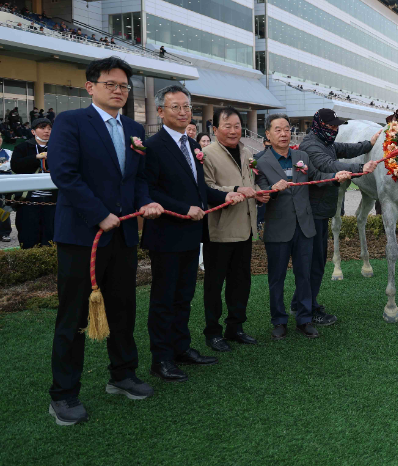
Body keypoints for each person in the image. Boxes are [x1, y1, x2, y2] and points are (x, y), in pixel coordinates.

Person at [47, 57, 164, 426]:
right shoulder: (70, 122)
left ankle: (123, 374)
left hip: (125, 235)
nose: (118, 91)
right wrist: (99, 214)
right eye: (111, 84)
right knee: (74, 316)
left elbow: (138, 178)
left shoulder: (133, 127)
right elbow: (64, 174)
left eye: (124, 86)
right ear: (91, 87)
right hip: (83, 237)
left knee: (123, 309)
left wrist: (145, 202)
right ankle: (64, 395)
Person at [141, 85, 246, 382]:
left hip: (191, 234)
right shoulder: (153, 146)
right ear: (161, 111)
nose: (183, 112)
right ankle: (160, 359)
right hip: (166, 235)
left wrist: (223, 197)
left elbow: (200, 191)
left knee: (183, 296)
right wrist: (184, 207)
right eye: (175, 107)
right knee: (164, 299)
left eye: (186, 106)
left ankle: (181, 348)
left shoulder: (190, 145)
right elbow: (149, 190)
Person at [256, 114, 351, 340]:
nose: (283, 134)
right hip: (278, 229)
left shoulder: (301, 156)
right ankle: (279, 321)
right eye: (277, 130)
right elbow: (259, 191)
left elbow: (317, 177)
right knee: (276, 278)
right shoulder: (259, 161)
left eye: (287, 129)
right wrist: (270, 190)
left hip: (305, 227)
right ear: (267, 135)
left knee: (305, 276)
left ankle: (304, 319)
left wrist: (335, 176)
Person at [299, 108, 378, 326]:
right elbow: (329, 165)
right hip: (311, 213)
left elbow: (345, 148)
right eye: (330, 126)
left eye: (336, 127)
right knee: (312, 264)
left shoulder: (325, 142)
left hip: (320, 211)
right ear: (318, 125)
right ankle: (309, 309)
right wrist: (361, 168)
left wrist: (369, 145)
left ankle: (303, 303)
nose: (334, 130)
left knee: (316, 262)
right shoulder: (311, 146)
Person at [202, 107, 268, 352]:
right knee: (214, 283)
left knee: (241, 282)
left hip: (245, 228)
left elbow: (251, 183)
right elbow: (206, 187)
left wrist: (258, 196)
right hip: (219, 230)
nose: (233, 131)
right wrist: (237, 188)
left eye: (237, 126)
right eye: (227, 126)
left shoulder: (246, 151)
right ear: (215, 129)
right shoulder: (206, 154)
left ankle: (235, 326)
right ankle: (213, 331)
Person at [10, 117, 56, 248]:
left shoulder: (59, 146)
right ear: (33, 131)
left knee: (51, 239)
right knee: (28, 239)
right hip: (28, 202)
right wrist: (36, 157)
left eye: (49, 128)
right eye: (42, 128)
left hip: (53, 202)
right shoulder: (22, 147)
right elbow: (16, 166)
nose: (47, 131)